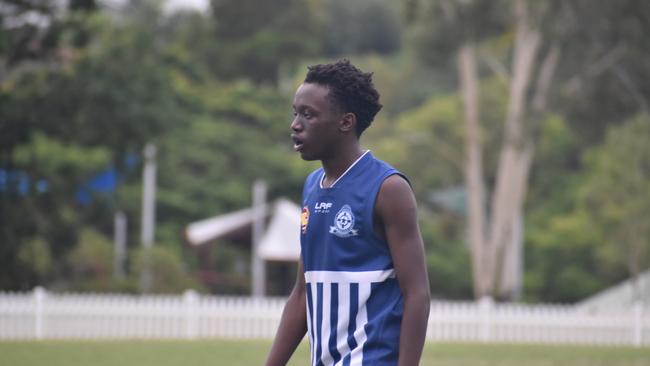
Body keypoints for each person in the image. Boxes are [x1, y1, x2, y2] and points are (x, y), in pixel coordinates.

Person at [265, 59, 430, 366]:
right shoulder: (312, 187)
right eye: (295, 112)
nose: (295, 124)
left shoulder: (388, 189)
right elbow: (303, 293)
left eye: (308, 114)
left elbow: (417, 293)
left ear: (346, 122)